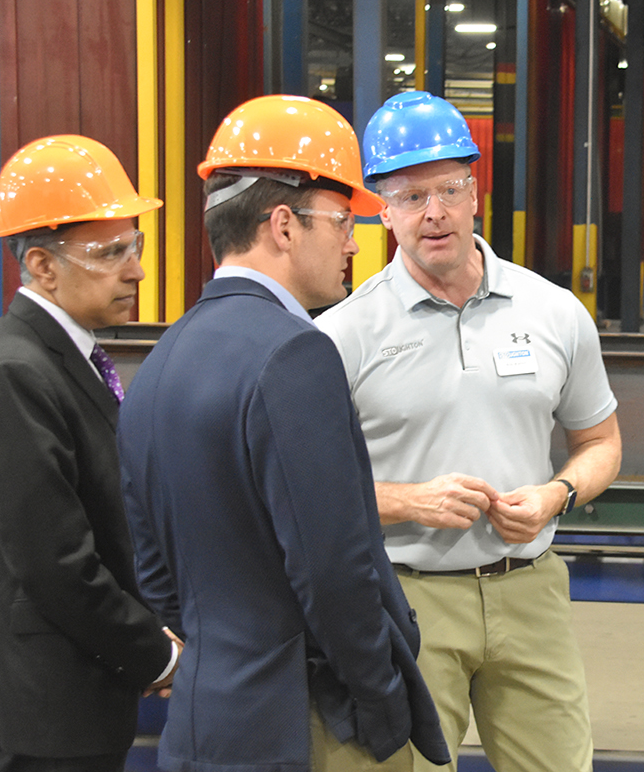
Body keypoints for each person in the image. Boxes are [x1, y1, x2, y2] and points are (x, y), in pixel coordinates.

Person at [116, 95, 449, 772]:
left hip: (206, 719)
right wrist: (380, 696)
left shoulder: (162, 360)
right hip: (307, 724)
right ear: (284, 225)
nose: (354, 242)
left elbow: (151, 563)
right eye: (342, 221)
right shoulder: (295, 354)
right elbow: (332, 566)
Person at [316, 91, 622, 771]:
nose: (434, 212)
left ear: (474, 193)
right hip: (407, 600)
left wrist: (556, 495)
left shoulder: (553, 312)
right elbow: (306, 492)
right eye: (410, 196)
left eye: (449, 189)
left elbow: (600, 442)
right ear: (382, 211)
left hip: (531, 591)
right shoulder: (341, 336)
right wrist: (408, 501)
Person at [0, 135, 180, 772]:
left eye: (135, 245)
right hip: (48, 699)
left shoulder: (66, 358)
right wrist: (157, 655)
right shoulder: (16, 374)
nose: (136, 270)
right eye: (110, 253)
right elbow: (57, 565)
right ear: (42, 266)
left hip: (76, 687)